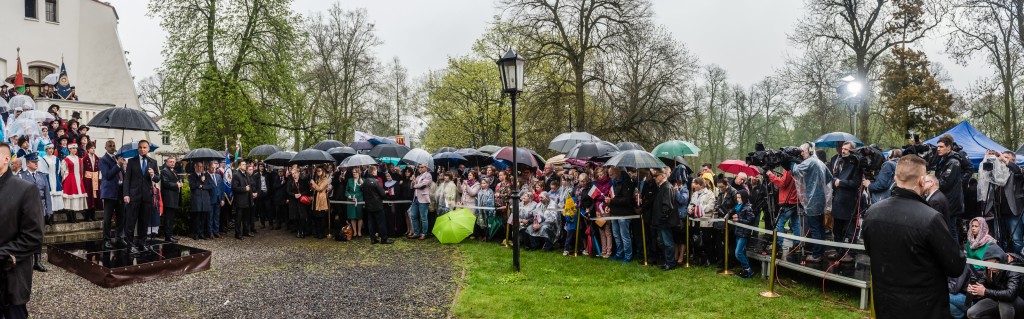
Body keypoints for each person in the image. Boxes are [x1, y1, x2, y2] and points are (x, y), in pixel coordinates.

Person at [862, 154, 965, 319]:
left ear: (895, 178)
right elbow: (955, 265)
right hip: (922, 307)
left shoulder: (872, 212)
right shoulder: (930, 218)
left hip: (887, 304)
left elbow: (870, 250)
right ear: (922, 181)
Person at [0, 142, 44, 319]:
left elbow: (34, 236)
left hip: (11, 277)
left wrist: (2, 253)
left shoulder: (25, 189)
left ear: (5, 158)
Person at [792, 142, 833, 263]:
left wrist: (791, 161)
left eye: (802, 152)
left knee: (815, 228)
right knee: (820, 227)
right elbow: (829, 177)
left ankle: (816, 255)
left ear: (809, 151)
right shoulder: (819, 162)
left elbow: (795, 171)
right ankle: (820, 251)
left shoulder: (809, 162)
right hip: (820, 199)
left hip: (812, 200)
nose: (801, 154)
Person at [122, 140, 160, 254]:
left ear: (148, 149)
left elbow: (157, 179)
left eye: (144, 147)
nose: (142, 149)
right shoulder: (132, 161)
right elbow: (127, 179)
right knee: (131, 222)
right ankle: (130, 245)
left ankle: (142, 243)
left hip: (147, 197)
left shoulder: (152, 162)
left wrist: (153, 174)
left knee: (144, 222)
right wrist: (126, 194)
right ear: (138, 148)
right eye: (140, 147)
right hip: (133, 196)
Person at [966, 244, 1024, 319]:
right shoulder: (990, 266)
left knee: (1004, 303)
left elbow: (1010, 294)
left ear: (1000, 260)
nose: (989, 268)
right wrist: (974, 288)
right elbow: (983, 280)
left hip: (1016, 302)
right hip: (997, 297)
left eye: (991, 264)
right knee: (971, 313)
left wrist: (985, 292)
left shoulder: (1015, 268)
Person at [830, 141, 863, 263]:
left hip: (849, 203)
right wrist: (835, 181)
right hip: (838, 200)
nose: (843, 151)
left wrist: (841, 182)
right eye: (842, 149)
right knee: (837, 230)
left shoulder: (856, 164)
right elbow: (834, 176)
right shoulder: (839, 161)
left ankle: (851, 254)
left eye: (846, 149)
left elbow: (856, 183)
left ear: (852, 151)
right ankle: (839, 251)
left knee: (850, 230)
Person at [17, 152, 50, 272]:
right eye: (34, 162)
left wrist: (49, 211)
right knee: (26, 233)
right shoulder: (21, 176)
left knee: (39, 234)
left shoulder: (42, 176)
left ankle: (37, 261)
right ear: (28, 163)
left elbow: (47, 194)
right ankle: (27, 260)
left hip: (41, 207)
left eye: (37, 162)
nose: (36, 164)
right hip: (27, 208)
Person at [606, 167, 636, 263]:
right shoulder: (613, 183)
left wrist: (612, 201)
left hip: (624, 214)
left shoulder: (628, 182)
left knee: (624, 235)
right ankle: (619, 253)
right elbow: (612, 197)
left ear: (617, 172)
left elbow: (626, 200)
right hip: (614, 213)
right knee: (616, 235)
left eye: (611, 174)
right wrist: (609, 205)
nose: (610, 177)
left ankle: (628, 255)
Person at [767, 167, 800, 254]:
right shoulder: (797, 167)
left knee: (779, 223)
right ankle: (797, 245)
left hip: (788, 201)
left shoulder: (789, 169)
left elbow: (782, 183)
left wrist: (770, 174)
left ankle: (778, 245)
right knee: (795, 223)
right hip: (795, 200)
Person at [650, 168, 678, 271]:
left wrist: (662, 218)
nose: (654, 178)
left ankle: (670, 263)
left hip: (665, 221)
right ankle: (668, 261)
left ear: (663, 176)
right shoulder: (661, 187)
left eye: (656, 176)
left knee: (668, 243)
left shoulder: (667, 187)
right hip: (661, 221)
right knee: (663, 242)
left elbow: (667, 206)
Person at [98, 141, 122, 249]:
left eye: (113, 145)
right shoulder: (103, 160)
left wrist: (122, 167)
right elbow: (107, 175)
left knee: (121, 217)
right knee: (107, 218)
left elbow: (121, 173)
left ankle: (119, 237)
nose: (112, 147)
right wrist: (118, 165)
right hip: (109, 193)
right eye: (110, 146)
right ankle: (106, 239)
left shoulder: (117, 158)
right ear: (105, 147)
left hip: (120, 192)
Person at [727, 189, 756, 278]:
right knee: (742, 252)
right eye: (737, 198)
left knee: (738, 253)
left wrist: (738, 219)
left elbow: (750, 220)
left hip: (744, 233)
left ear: (743, 198)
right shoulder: (739, 206)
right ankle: (745, 269)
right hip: (738, 232)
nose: (738, 199)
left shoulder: (747, 207)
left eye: (739, 198)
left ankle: (748, 270)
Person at [936, 134, 965, 222]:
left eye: (941, 147)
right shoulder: (944, 160)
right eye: (938, 147)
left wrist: (932, 183)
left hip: (951, 201)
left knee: (951, 229)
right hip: (947, 199)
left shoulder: (953, 162)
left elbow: (944, 183)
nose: (938, 149)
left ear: (948, 147)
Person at [362, 165, 390, 244]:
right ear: (374, 171)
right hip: (377, 205)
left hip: (368, 205)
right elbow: (382, 194)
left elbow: (362, 190)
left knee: (371, 223)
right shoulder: (376, 181)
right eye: (376, 170)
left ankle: (373, 239)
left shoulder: (365, 181)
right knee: (381, 223)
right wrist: (386, 192)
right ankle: (384, 239)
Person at [60, 143, 87, 224]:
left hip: (78, 178)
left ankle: (74, 215)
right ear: (69, 149)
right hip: (70, 179)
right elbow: (63, 171)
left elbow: (80, 169)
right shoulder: (66, 159)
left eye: (75, 148)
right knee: (71, 197)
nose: (75, 150)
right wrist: (66, 177)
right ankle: (70, 215)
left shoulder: (78, 159)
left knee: (75, 198)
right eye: (73, 148)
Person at [923, 174, 954, 240]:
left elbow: (935, 224)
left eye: (924, 182)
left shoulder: (935, 200)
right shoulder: (937, 196)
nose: (922, 184)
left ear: (931, 183)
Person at [159, 157, 181, 243]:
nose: (172, 163)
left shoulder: (174, 171)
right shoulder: (164, 171)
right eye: (170, 162)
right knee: (168, 218)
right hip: (168, 198)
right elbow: (166, 183)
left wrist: (179, 183)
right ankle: (167, 237)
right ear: (167, 162)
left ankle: (171, 234)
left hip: (174, 198)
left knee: (171, 218)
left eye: (173, 162)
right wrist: (176, 185)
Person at [189, 162, 214, 240]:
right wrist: (200, 180)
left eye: (201, 167)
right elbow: (192, 185)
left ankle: (201, 233)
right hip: (197, 199)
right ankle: (196, 233)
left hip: (205, 199)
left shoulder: (206, 175)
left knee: (203, 217)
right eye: (198, 166)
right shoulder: (192, 176)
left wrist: (202, 186)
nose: (200, 168)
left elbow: (211, 186)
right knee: (197, 217)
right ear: (195, 167)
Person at [39, 144, 62, 226]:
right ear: (46, 150)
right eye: (49, 148)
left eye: (52, 148)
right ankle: (48, 218)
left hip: (55, 179)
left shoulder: (57, 159)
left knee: (54, 199)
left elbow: (58, 171)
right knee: (48, 198)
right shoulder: (43, 159)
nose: (51, 150)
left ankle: (52, 217)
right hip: (47, 179)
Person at [231, 161, 254, 239]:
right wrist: (244, 189)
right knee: (238, 218)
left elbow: (249, 186)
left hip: (247, 200)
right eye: (243, 164)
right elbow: (234, 188)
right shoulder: (236, 175)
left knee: (246, 218)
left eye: (245, 164)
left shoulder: (246, 174)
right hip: (240, 201)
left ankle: (245, 232)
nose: (245, 166)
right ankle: (238, 234)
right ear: (239, 166)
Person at [410, 163, 432, 240]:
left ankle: (424, 233)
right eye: (419, 167)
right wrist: (413, 181)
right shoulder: (418, 176)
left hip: (423, 198)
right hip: (415, 198)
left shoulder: (428, 175)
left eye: (422, 167)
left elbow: (423, 185)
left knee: (423, 217)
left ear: (426, 167)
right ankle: (416, 233)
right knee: (413, 216)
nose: (420, 168)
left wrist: (415, 185)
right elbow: (412, 186)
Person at [287, 165, 310, 238]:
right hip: (293, 201)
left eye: (295, 173)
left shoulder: (303, 181)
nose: (294, 175)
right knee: (296, 217)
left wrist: (301, 194)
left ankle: (302, 231)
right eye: (293, 173)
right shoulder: (290, 182)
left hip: (301, 201)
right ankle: (298, 231)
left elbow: (307, 190)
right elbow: (288, 191)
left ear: (298, 173)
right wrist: (294, 195)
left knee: (302, 217)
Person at [81, 142, 101, 222]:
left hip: (95, 178)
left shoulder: (97, 158)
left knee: (95, 196)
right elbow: (83, 170)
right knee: (89, 197)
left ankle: (93, 214)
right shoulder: (85, 158)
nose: (93, 149)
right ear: (88, 149)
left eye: (94, 148)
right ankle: (87, 215)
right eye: (92, 148)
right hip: (88, 179)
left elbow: (98, 169)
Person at [344, 166, 364, 238]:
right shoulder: (349, 180)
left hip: (359, 200)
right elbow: (346, 191)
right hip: (350, 200)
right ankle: (355, 232)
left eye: (355, 172)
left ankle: (359, 232)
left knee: (359, 216)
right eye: (353, 172)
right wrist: (348, 195)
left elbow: (365, 191)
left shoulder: (362, 180)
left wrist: (362, 185)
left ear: (359, 173)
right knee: (352, 216)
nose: (354, 174)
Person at [208, 161, 225, 238]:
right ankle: (210, 232)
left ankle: (216, 231)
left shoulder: (218, 176)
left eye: (214, 168)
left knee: (217, 216)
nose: (213, 169)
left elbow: (221, 188)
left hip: (218, 199)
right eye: (212, 167)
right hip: (210, 200)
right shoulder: (206, 176)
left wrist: (222, 199)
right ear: (209, 167)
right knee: (210, 217)